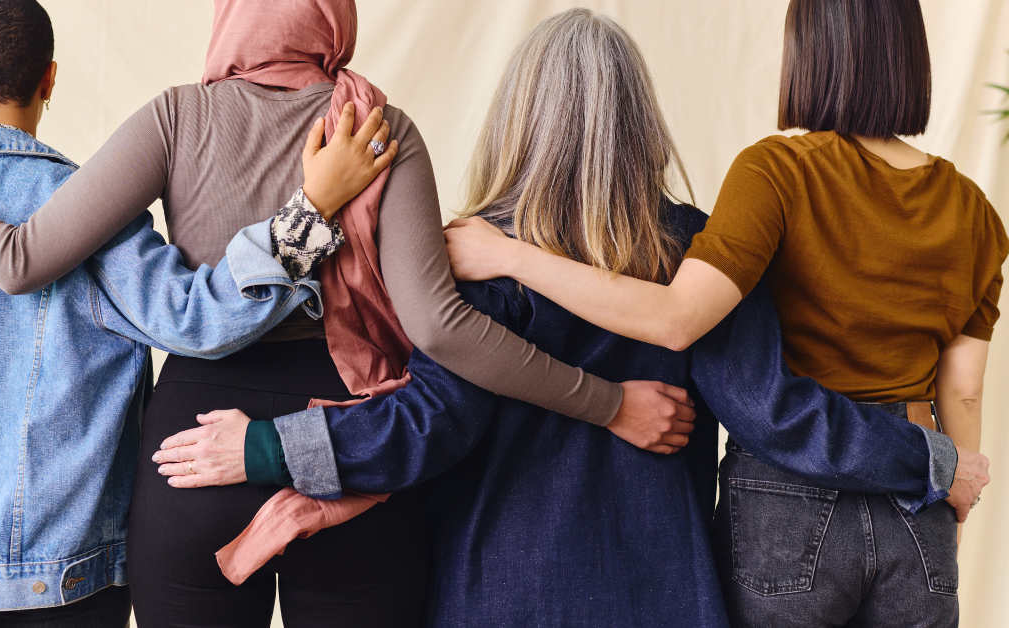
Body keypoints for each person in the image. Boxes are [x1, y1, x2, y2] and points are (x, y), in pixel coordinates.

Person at [0, 1, 701, 625]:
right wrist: (608, 402)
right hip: (358, 458)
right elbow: (439, 330)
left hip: (192, 455)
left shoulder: (177, 118)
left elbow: (18, 260)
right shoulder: (376, 127)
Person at [168, 9, 984, 627]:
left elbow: (427, 425)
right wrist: (930, 459)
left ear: (517, 119)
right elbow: (775, 412)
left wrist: (268, 446)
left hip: (496, 594)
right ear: (643, 125)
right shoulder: (691, 251)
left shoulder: (475, 256)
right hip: (665, 597)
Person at [0, 0, 389, 626]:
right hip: (60, 581)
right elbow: (198, 320)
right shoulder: (91, 220)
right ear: (50, 79)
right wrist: (308, 218)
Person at [442, 1, 1003, 626]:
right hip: (915, 487)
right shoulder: (975, 209)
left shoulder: (777, 173)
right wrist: (949, 499)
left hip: (790, 497)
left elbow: (680, 318)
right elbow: (966, 392)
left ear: (809, 55)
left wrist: (512, 256)